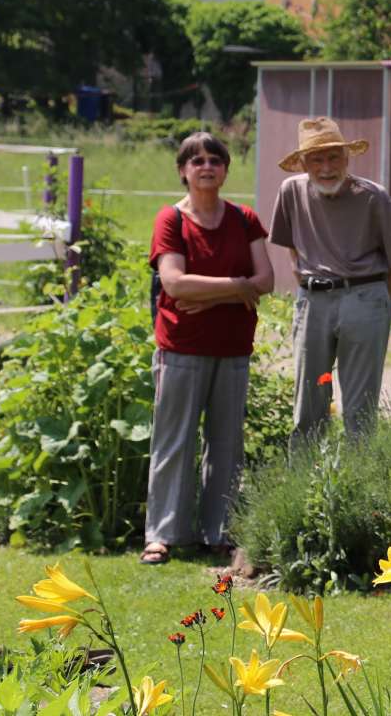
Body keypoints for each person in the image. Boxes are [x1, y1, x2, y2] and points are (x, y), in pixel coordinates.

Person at [144, 132, 273, 565]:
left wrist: (208, 294)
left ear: (225, 169)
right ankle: (163, 535)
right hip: (181, 345)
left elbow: (266, 280)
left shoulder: (244, 219)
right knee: (173, 440)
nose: (206, 166)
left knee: (226, 443)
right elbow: (175, 282)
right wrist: (237, 287)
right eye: (196, 160)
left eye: (214, 159)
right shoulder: (171, 220)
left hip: (233, 346)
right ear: (183, 170)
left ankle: (219, 531)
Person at [270, 117, 391, 443]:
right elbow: (290, 245)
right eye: (316, 158)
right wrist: (302, 276)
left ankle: (358, 486)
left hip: (364, 295)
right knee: (308, 402)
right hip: (313, 300)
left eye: (333, 157)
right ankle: (303, 486)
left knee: (360, 407)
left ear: (347, 157)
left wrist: (370, 303)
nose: (326, 167)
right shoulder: (291, 191)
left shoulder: (374, 197)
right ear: (302, 162)